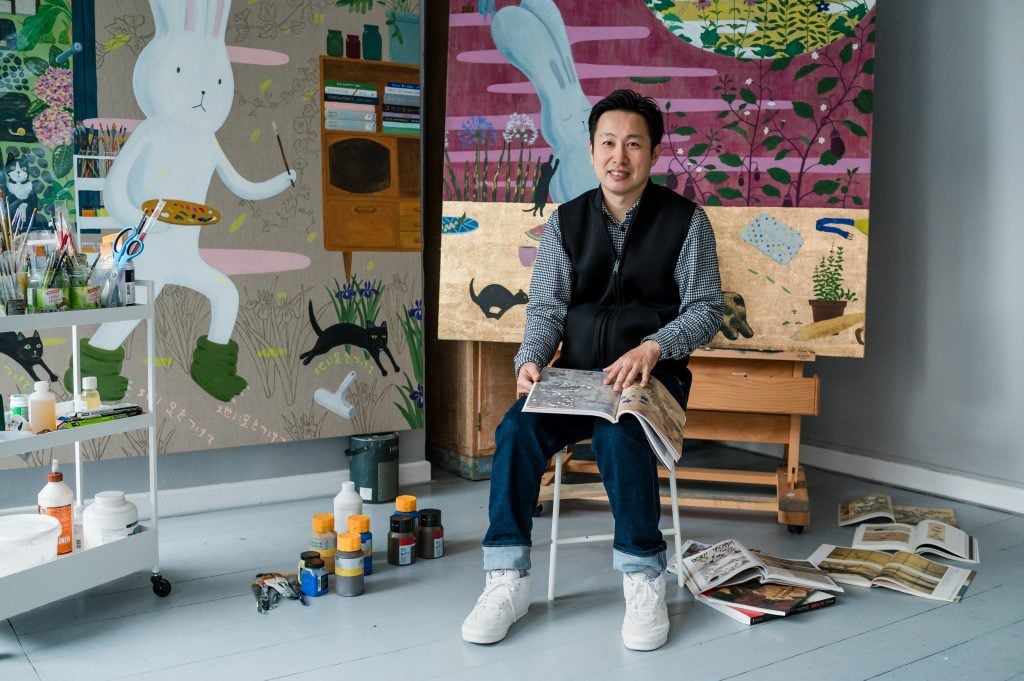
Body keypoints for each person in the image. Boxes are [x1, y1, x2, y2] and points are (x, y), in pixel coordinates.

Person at [460, 90, 724, 651]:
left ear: (653, 154)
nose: (618, 156)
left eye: (633, 144)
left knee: (619, 434)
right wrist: (529, 359)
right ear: (591, 149)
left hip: (651, 379)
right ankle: (507, 577)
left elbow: (705, 310)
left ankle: (643, 574)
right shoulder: (566, 221)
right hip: (574, 376)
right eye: (608, 143)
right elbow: (549, 306)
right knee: (515, 431)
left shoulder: (686, 222)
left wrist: (655, 346)